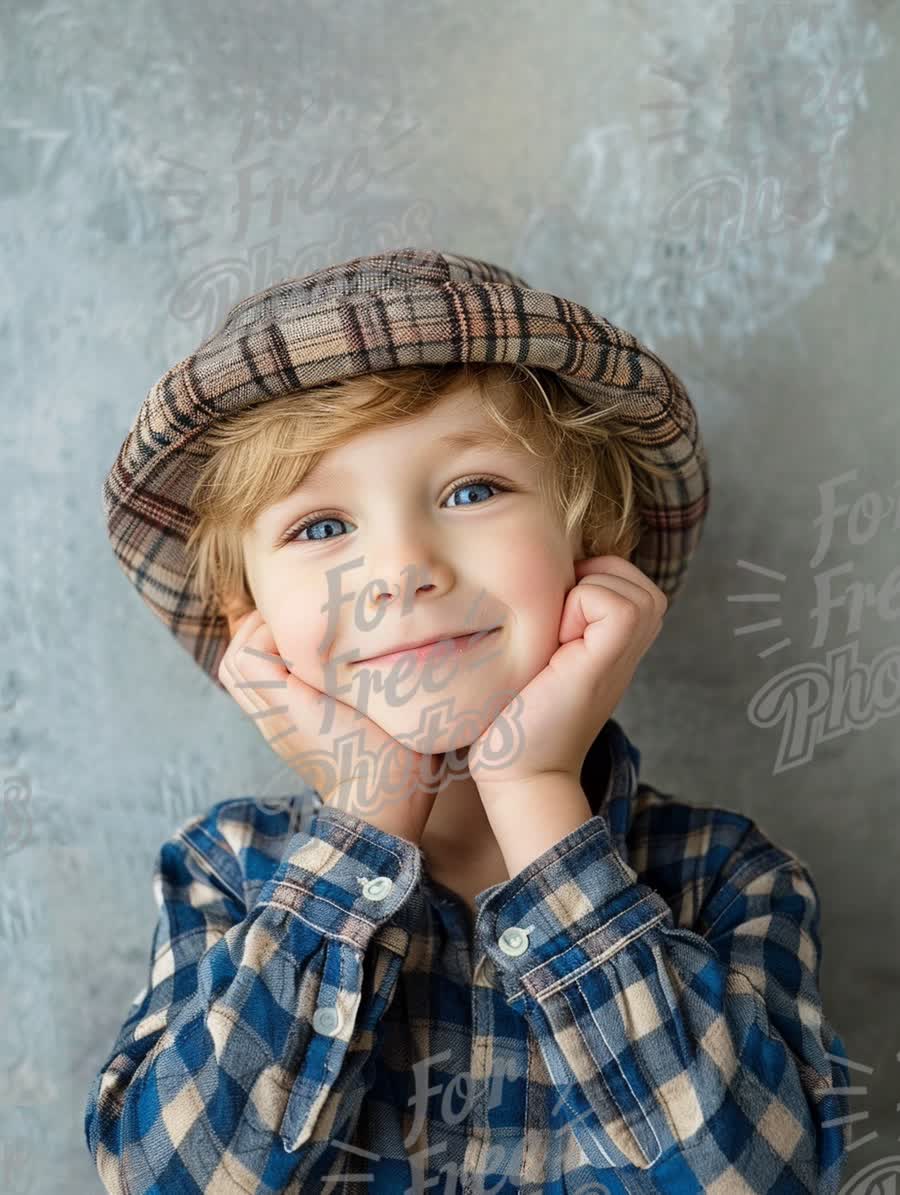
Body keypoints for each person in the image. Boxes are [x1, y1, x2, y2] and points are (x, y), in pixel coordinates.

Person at [84, 247, 851, 1194]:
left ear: (596, 549)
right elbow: (169, 1180)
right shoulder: (225, 870)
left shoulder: (728, 875)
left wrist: (533, 790)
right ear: (253, 627)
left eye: (472, 491)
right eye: (321, 527)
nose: (401, 567)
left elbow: (756, 1180)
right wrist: (369, 808)